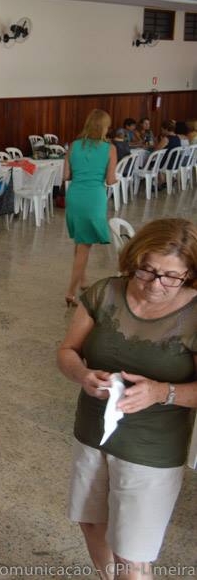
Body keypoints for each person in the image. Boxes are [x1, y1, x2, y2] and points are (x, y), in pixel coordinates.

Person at [56, 218, 197, 580]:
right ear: (133, 259)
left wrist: (160, 392)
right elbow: (68, 351)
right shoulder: (105, 293)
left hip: (152, 448)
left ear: (190, 275)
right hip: (92, 431)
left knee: (132, 555)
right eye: (146, 271)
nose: (155, 284)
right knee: (91, 522)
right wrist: (83, 375)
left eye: (171, 276)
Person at [64, 109, 117, 307]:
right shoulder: (109, 149)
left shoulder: (74, 146)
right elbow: (111, 180)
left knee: (80, 241)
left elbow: (66, 175)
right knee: (85, 246)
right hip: (94, 197)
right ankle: (70, 292)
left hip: (75, 195)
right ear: (104, 127)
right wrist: (116, 178)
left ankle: (83, 279)